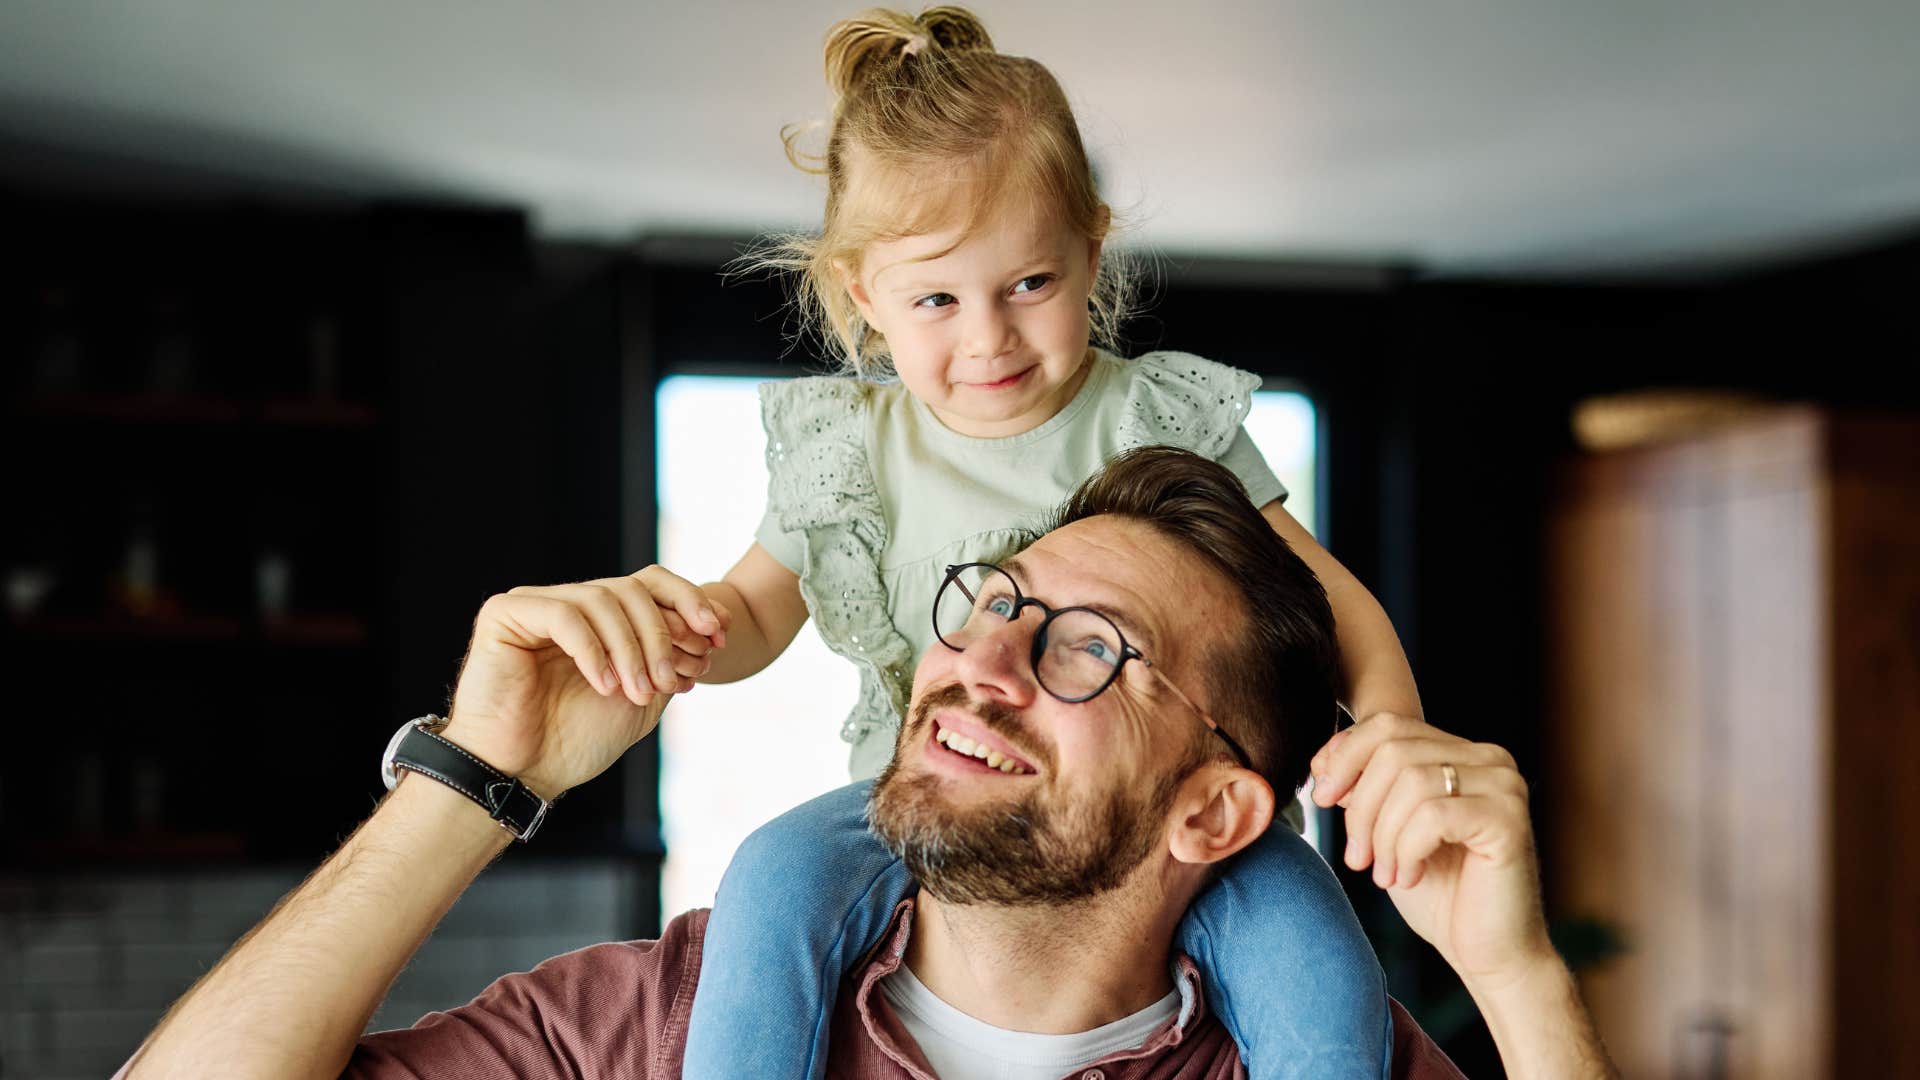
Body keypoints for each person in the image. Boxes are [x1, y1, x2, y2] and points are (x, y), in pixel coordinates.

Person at [121, 448, 1615, 1079]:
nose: (982, 660)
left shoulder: (1302, 1055)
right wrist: (473, 780)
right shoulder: (657, 1025)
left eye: (1087, 646)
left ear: (1216, 808)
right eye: (993, 601)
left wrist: (1521, 981)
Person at [611, 7, 1425, 1076]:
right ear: (867, 297)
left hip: (1161, 801)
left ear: (1091, 249)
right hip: (907, 803)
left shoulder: (1154, 419)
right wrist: (680, 637)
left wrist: (1397, 734)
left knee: (1320, 961)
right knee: (769, 878)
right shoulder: (849, 448)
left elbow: (1327, 601)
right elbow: (762, 607)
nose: (988, 336)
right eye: (937, 299)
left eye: (1029, 285)